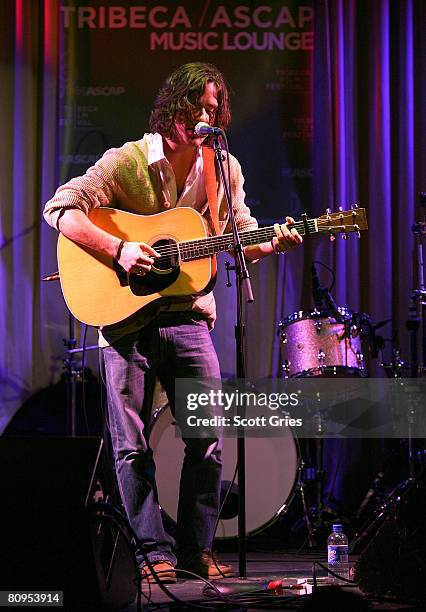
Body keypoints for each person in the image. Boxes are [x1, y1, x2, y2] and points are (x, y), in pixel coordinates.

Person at [43, 62, 302, 583]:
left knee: (207, 440)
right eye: (195, 106)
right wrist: (120, 249)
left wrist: (273, 242)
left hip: (189, 316)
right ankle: (149, 552)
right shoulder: (127, 161)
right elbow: (61, 209)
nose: (203, 117)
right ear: (172, 107)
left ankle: (194, 549)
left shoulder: (222, 168)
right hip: (124, 321)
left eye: (212, 108)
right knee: (131, 443)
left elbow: (239, 238)